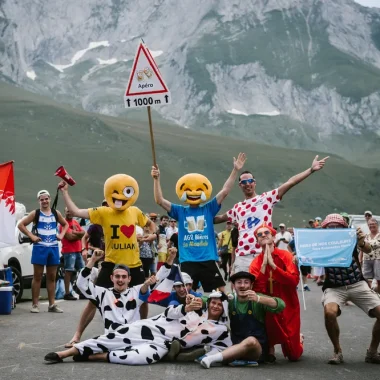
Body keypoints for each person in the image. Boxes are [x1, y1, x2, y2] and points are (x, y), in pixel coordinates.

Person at [59, 174, 156, 348]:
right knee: (93, 300)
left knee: (143, 299)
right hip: (111, 264)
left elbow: (151, 225)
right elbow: (75, 212)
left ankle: (144, 331)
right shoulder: (103, 212)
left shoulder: (135, 211)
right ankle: (77, 335)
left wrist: (151, 235)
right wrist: (65, 192)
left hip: (134, 264)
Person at [44, 291, 231, 365]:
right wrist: (186, 307)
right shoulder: (195, 310)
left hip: (165, 344)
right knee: (113, 338)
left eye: (219, 304)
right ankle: (65, 354)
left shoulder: (221, 328)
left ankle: (92, 356)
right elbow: (169, 313)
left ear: (224, 308)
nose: (215, 306)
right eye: (213, 303)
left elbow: (223, 347)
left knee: (137, 358)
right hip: (154, 327)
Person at [214, 155, 329, 273]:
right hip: (243, 256)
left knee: (265, 290)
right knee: (242, 290)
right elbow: (218, 219)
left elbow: (291, 182)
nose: (248, 184)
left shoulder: (267, 198)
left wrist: (310, 170)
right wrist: (199, 209)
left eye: (250, 181)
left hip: (264, 253)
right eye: (244, 182)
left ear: (255, 183)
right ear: (240, 185)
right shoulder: (238, 208)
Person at [151, 153, 246, 292]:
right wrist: (156, 179)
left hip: (207, 259)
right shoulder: (180, 211)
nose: (194, 192)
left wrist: (235, 170)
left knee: (221, 292)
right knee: (186, 294)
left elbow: (225, 191)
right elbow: (159, 200)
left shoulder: (209, 208)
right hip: (188, 261)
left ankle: (220, 314)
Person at [320, 213, 380, 364]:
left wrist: (360, 242)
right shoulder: (320, 243)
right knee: (329, 313)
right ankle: (337, 351)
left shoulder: (351, 238)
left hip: (357, 283)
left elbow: (368, 250)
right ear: (325, 229)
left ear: (343, 227)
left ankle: (372, 352)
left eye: (337, 226)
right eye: (330, 227)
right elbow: (304, 253)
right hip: (334, 287)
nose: (334, 229)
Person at [200, 271, 285, 368]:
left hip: (256, 349)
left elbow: (281, 305)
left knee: (251, 341)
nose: (242, 285)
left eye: (246, 282)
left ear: (251, 285)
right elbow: (209, 300)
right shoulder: (230, 299)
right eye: (239, 282)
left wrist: (259, 299)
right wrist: (197, 300)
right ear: (233, 286)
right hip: (234, 345)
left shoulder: (257, 298)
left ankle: (212, 358)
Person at [249, 223, 303, 362]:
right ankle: (270, 346)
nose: (263, 236)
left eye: (266, 233)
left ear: (273, 237)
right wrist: (264, 265)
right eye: (259, 235)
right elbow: (257, 290)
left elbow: (293, 281)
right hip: (268, 306)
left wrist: (274, 266)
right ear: (257, 241)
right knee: (266, 349)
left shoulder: (285, 255)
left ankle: (299, 339)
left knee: (294, 356)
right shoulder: (256, 262)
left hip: (288, 303)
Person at [76, 249, 155, 333]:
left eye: (124, 277)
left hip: (132, 339)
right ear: (111, 278)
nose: (120, 280)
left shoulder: (136, 291)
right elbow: (81, 284)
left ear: (129, 279)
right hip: (110, 340)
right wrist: (93, 260)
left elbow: (159, 282)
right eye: (117, 276)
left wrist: (170, 258)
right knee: (78, 346)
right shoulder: (103, 293)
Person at [18, 190, 68, 313]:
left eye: (46, 199)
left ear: (50, 199)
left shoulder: (56, 213)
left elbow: (65, 224)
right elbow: (21, 225)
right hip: (40, 247)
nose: (44, 201)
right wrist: (32, 236)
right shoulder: (36, 213)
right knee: (37, 276)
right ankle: (35, 305)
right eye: (42, 199)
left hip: (53, 247)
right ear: (39, 201)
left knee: (52, 277)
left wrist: (61, 235)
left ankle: (52, 305)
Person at [59, 207, 86, 300]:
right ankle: (67, 293)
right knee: (68, 271)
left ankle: (82, 292)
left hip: (78, 250)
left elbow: (83, 232)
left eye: (70, 211)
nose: (69, 213)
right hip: (68, 251)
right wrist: (78, 234)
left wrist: (75, 233)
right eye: (67, 212)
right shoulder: (63, 224)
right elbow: (69, 237)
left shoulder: (75, 222)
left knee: (82, 271)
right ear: (64, 212)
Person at [361, 218, 380, 292]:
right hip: (367, 259)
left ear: (377, 225)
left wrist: (367, 245)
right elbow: (362, 248)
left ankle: (378, 293)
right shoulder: (366, 236)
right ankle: (372, 292)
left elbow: (376, 244)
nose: (371, 226)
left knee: (379, 278)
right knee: (367, 277)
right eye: (369, 224)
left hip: (378, 258)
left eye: (373, 224)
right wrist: (360, 258)